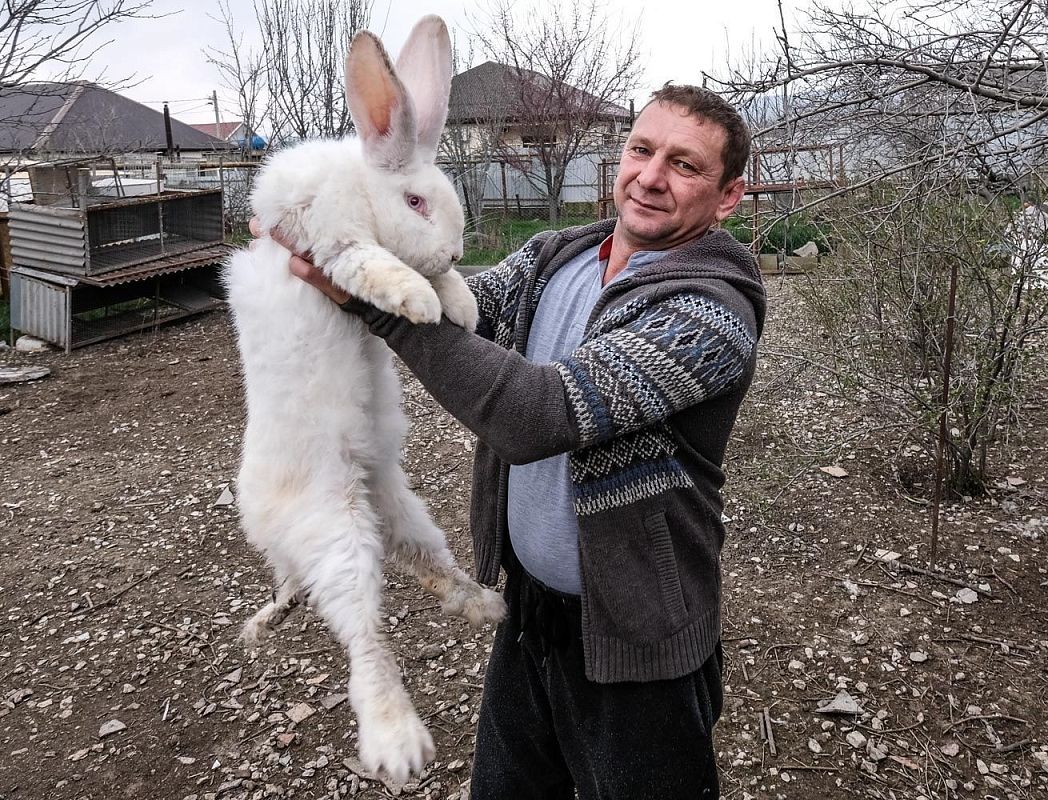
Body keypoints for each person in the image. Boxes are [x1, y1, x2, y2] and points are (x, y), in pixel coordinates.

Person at [278, 84, 766, 799]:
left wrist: (375, 302)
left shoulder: (710, 314)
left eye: (685, 165)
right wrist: (349, 235)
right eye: (641, 148)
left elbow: (537, 415)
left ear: (727, 196)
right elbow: (459, 310)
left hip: (639, 643)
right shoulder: (554, 257)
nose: (652, 175)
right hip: (530, 614)